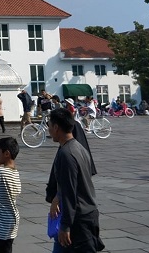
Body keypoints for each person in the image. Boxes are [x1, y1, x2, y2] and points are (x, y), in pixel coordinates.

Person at [47, 108, 104, 252]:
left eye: (49, 125)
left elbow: (70, 192)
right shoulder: (78, 148)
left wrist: (65, 226)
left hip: (78, 220)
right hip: (86, 214)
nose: (48, 130)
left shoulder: (66, 154)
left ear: (56, 127)